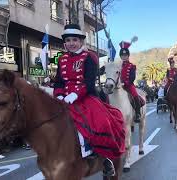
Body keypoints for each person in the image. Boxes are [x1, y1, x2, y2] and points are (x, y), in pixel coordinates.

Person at [53, 24, 125, 177]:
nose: (71, 43)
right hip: (64, 98)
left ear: (81, 41)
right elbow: (58, 81)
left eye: (74, 40)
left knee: (102, 122)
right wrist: (59, 95)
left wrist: (75, 95)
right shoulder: (62, 59)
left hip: (85, 96)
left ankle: (107, 159)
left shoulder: (89, 57)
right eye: (68, 40)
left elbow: (89, 82)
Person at [119, 37, 145, 123]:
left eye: (125, 55)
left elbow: (132, 77)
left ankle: (137, 114)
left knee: (135, 96)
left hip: (129, 86)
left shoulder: (132, 66)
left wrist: (125, 83)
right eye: (122, 55)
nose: (124, 57)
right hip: (119, 86)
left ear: (128, 56)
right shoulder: (118, 65)